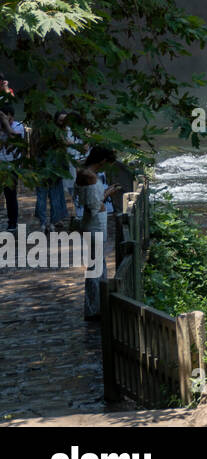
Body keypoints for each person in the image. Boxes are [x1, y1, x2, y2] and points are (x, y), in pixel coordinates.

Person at [75, 146, 123, 320]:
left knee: (97, 264)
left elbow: (90, 199)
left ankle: (97, 305)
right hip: (94, 224)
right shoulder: (90, 176)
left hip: (91, 223)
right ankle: (94, 308)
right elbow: (95, 205)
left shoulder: (84, 172)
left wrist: (107, 191)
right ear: (102, 160)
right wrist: (107, 193)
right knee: (96, 266)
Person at [32, 111, 72, 232]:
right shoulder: (55, 132)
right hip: (55, 167)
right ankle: (54, 222)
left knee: (41, 195)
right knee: (55, 194)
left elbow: (33, 151)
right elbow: (65, 144)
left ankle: (43, 223)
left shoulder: (35, 133)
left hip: (40, 166)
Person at [0, 103, 25, 232]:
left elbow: (14, 137)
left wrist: (5, 123)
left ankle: (12, 223)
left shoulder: (18, 126)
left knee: (10, 195)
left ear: (12, 117)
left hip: (12, 164)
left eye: (8, 118)